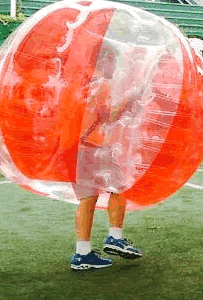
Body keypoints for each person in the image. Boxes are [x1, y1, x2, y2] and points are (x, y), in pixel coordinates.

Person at [69, 47, 143, 270]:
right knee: (119, 188)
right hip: (95, 146)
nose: (114, 65)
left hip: (78, 148)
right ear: (104, 61)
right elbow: (108, 115)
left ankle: (82, 253)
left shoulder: (82, 85)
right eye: (112, 60)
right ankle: (115, 237)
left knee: (87, 199)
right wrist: (131, 98)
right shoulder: (101, 84)